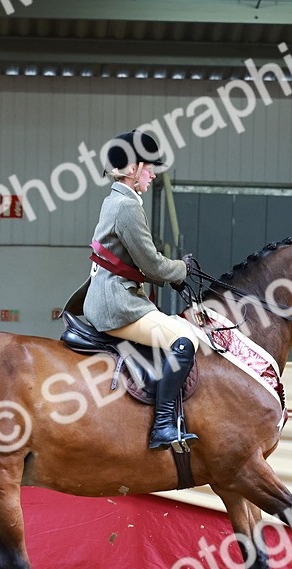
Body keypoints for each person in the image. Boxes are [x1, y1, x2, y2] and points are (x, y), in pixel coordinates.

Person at [82, 130, 200, 451]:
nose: (152, 175)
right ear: (133, 169)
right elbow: (153, 265)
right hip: (117, 304)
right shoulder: (127, 207)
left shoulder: (117, 199)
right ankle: (162, 426)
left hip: (108, 295)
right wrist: (182, 269)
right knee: (184, 341)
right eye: (149, 168)